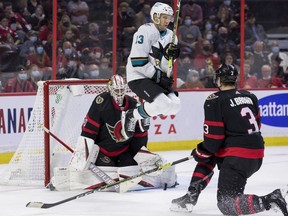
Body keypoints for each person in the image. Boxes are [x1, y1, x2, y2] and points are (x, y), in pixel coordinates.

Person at [170, 64, 288, 215]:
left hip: (237, 159)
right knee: (210, 155)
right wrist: (206, 151)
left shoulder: (215, 100)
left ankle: (270, 199)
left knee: (227, 203)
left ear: (218, 79)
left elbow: (213, 140)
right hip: (256, 155)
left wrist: (200, 151)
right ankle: (190, 197)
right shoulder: (249, 96)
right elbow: (257, 125)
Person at [50, 75, 177, 191]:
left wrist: (141, 155)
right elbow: (89, 131)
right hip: (103, 152)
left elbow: (139, 136)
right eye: (117, 91)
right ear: (111, 89)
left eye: (122, 90)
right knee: (108, 169)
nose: (120, 94)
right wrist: (84, 156)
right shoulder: (101, 102)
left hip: (123, 152)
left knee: (132, 168)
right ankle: (69, 180)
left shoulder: (133, 105)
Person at [121, 2, 181, 140]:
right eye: (164, 17)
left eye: (169, 18)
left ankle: (145, 112)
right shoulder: (145, 31)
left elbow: (166, 68)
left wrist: (169, 57)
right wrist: (158, 76)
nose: (167, 21)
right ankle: (132, 115)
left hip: (155, 77)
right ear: (155, 16)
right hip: (138, 76)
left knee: (175, 106)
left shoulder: (172, 37)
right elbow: (138, 62)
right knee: (164, 104)